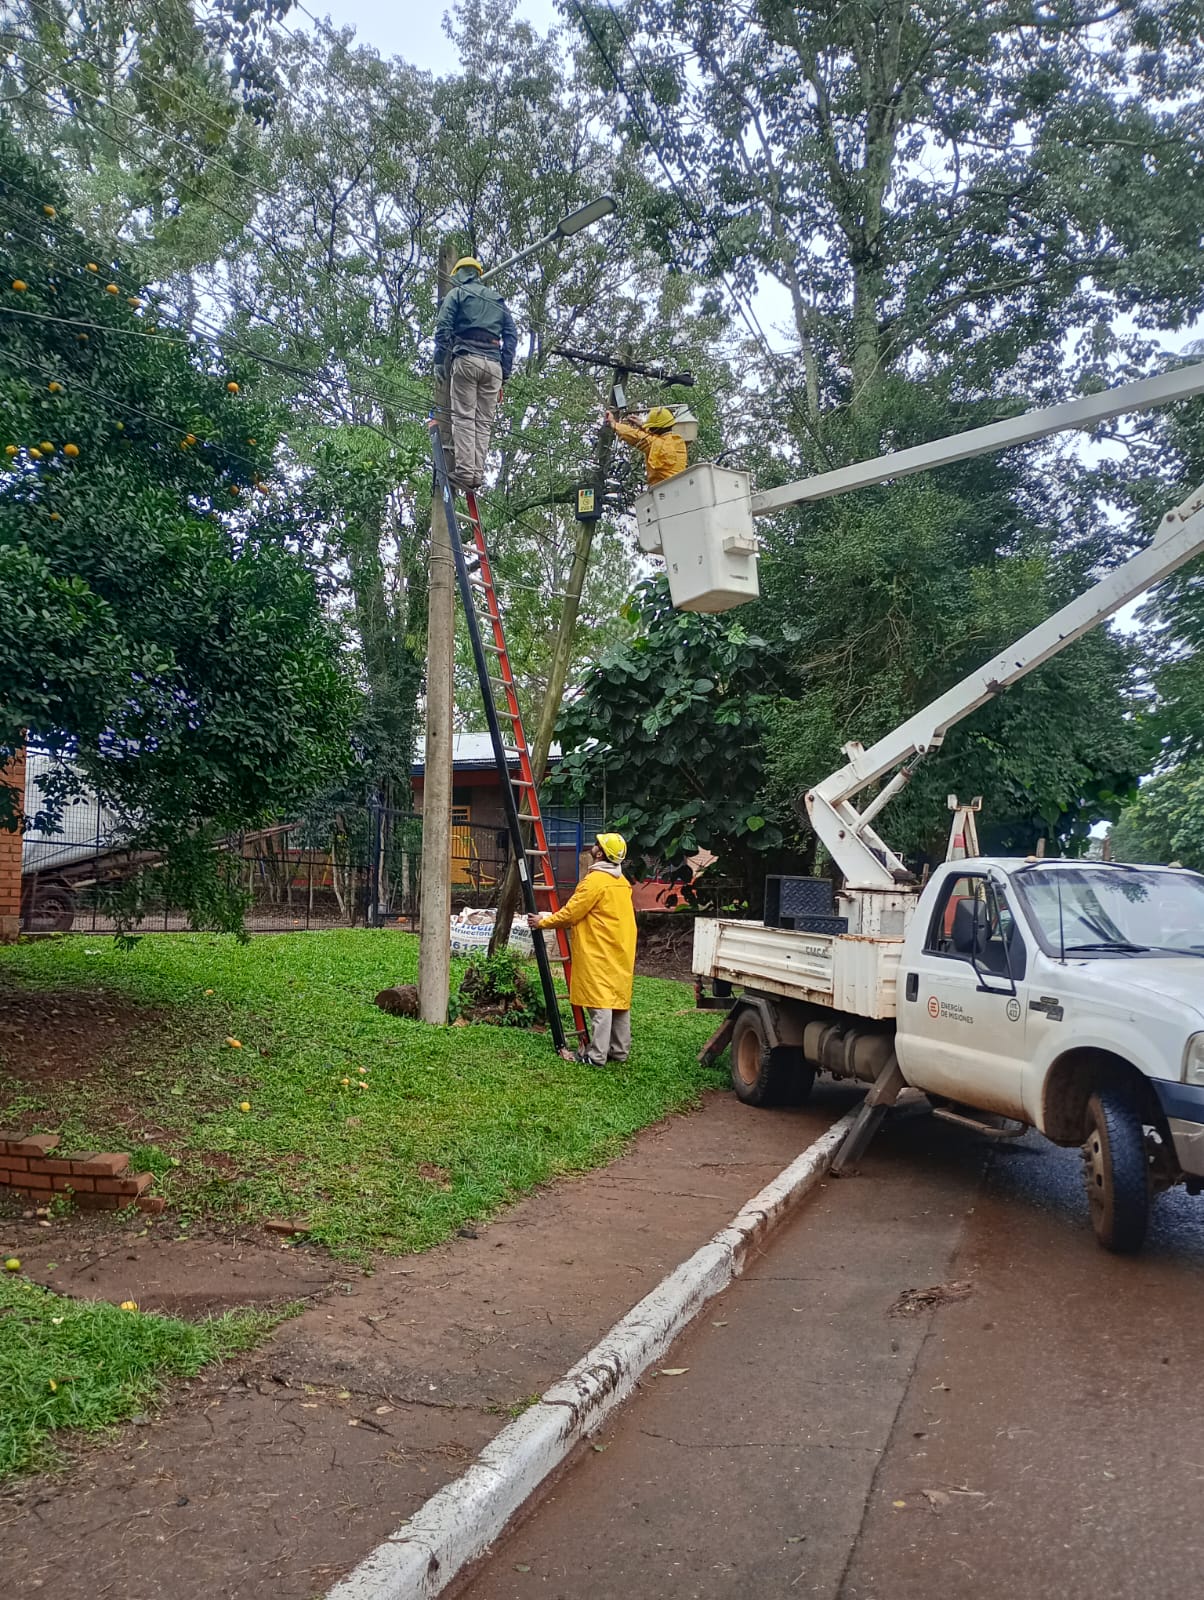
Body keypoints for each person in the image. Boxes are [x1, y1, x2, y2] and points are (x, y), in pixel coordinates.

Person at [528, 832, 637, 1066]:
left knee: (599, 1003)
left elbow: (571, 913)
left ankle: (596, 1055)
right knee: (618, 1001)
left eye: (597, 844)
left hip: (598, 949)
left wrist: (542, 922)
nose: (593, 846)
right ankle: (619, 1051)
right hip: (620, 947)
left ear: (601, 853)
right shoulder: (621, 882)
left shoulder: (595, 882)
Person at [434, 256, 518, 490]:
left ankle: (464, 472)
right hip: (493, 366)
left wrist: (440, 361)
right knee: (483, 423)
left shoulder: (457, 294)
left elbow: (443, 328)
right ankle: (476, 474)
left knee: (464, 417)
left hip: (467, 360)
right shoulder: (498, 301)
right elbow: (511, 336)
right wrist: (505, 372)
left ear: (461, 274)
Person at [606, 405, 687, 487]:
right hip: (678, 486)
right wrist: (642, 425)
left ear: (655, 428)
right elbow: (656, 435)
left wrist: (614, 424)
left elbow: (636, 436)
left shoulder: (657, 445)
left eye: (651, 427)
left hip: (663, 489)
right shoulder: (678, 441)